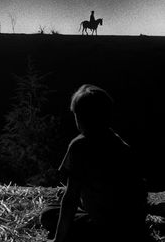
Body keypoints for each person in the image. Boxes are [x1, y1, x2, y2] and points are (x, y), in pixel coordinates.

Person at [40, 84, 149, 242]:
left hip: (106, 228)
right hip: (133, 226)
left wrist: (58, 239)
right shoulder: (120, 144)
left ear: (79, 118)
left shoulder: (80, 145)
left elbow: (71, 197)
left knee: (48, 213)